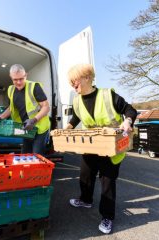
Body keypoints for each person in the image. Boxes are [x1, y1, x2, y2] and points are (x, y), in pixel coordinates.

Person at [65, 63, 137, 234]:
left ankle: (107, 217)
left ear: (88, 78)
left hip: (111, 145)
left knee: (107, 181)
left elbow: (130, 109)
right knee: (85, 173)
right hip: (92, 144)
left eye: (75, 82)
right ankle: (86, 200)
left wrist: (127, 121)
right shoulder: (76, 100)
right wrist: (66, 128)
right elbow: (76, 117)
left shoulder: (107, 95)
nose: (73, 86)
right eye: (71, 83)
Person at [0, 64, 50, 155]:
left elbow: (46, 107)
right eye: (15, 79)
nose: (18, 82)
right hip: (26, 127)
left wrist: (33, 120)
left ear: (26, 75)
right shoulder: (10, 90)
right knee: (25, 154)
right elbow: (11, 108)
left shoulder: (34, 87)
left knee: (36, 156)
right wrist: (0, 117)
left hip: (40, 128)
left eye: (21, 79)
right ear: (11, 77)